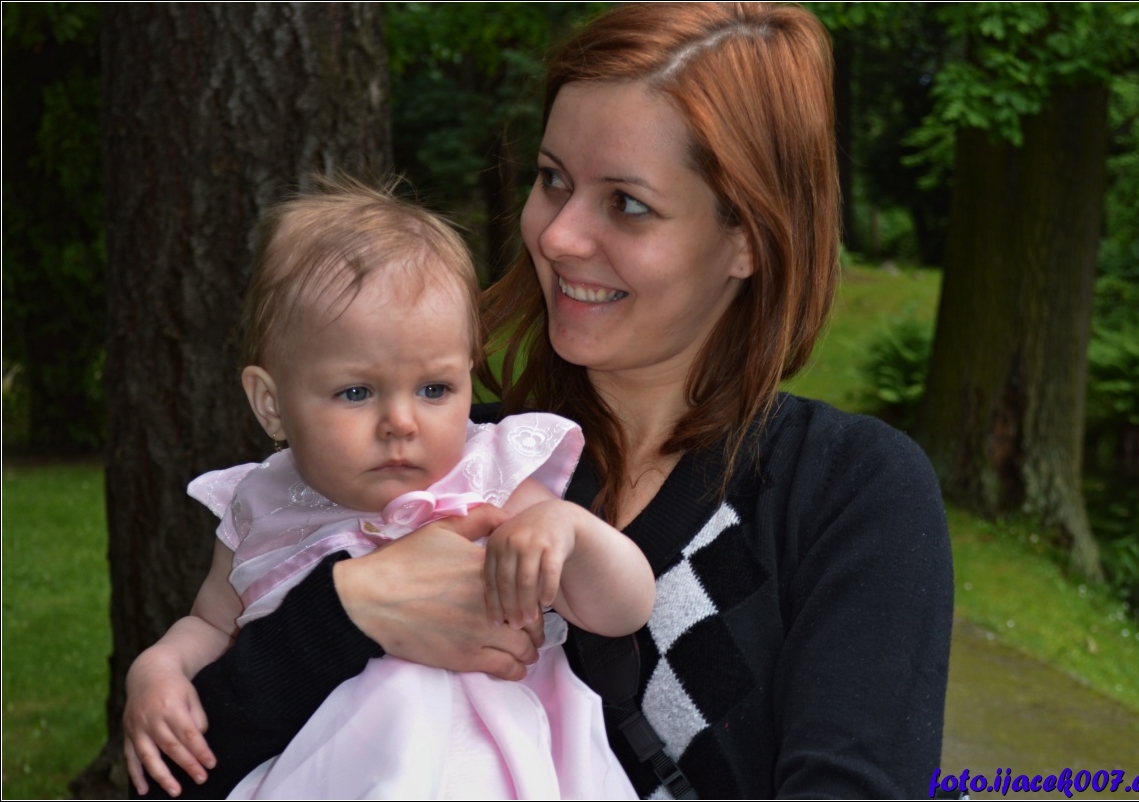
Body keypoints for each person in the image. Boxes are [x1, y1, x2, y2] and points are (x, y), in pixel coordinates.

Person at [140, 3, 953, 798]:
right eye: (553, 179)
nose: (557, 236)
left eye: (626, 203)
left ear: (747, 238)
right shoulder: (446, 459)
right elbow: (177, 778)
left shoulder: (844, 490)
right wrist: (348, 612)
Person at [122, 177, 653, 799]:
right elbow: (212, 627)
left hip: (491, 765)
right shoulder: (260, 510)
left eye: (434, 389)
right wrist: (159, 668)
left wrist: (570, 532)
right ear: (271, 404)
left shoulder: (491, 480)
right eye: (356, 392)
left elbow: (623, 611)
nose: (401, 422)